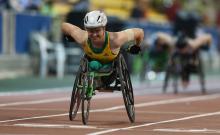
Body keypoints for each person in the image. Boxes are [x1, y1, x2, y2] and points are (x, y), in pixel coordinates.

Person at [62, 10, 144, 85]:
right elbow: (64, 26)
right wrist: (68, 35)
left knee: (104, 71)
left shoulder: (115, 39)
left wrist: (137, 46)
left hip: (110, 69)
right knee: (93, 65)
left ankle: (98, 80)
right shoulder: (82, 37)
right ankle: (94, 78)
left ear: (104, 28)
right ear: (86, 29)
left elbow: (140, 32)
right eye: (90, 31)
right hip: (91, 64)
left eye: (97, 30)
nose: (94, 34)